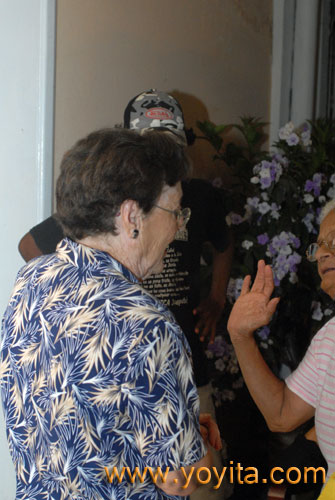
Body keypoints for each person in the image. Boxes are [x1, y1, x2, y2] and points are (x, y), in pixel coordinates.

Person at [1, 129, 221, 500]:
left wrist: (175, 428)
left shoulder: (31, 280)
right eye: (175, 211)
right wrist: (207, 454)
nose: (179, 226)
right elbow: (178, 478)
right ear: (132, 215)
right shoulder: (147, 325)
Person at [227, 198, 335, 487]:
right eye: (320, 245)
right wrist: (240, 337)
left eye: (334, 240)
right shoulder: (329, 338)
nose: (323, 253)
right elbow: (281, 415)